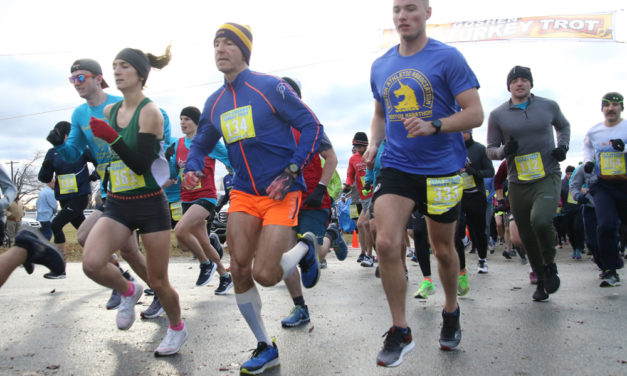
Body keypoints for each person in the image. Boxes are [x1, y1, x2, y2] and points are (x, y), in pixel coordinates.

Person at [184, 23, 323, 374]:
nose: (220, 49)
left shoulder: (268, 87)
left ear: (244, 50)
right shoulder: (214, 102)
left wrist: (292, 170)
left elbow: (311, 125)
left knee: (266, 274)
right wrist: (195, 164)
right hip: (244, 192)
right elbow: (201, 141)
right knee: (240, 268)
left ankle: (305, 247)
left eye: (228, 43)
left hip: (280, 190)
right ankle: (265, 344)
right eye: (216, 43)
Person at [365, 0, 484, 366]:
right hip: (398, 166)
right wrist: (373, 143)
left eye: (411, 8)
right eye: (398, 9)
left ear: (427, 13)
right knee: (386, 241)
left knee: (443, 249)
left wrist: (436, 125)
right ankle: (401, 329)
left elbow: (475, 113)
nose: (403, 15)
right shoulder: (381, 65)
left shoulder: (448, 58)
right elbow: (380, 114)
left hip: (442, 168)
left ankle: (451, 310)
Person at [83, 45, 187, 356]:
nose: (117, 71)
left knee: (159, 280)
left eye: (124, 66)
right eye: (114, 65)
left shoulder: (150, 111)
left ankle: (177, 327)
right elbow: (114, 159)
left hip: (149, 204)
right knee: (90, 263)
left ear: (141, 74)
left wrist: (110, 137)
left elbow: (140, 163)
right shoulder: (109, 111)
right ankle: (128, 289)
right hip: (118, 204)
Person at [46, 58, 159, 310]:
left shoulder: (119, 104)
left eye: (81, 78)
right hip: (110, 190)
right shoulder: (79, 113)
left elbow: (153, 127)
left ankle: (147, 289)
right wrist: (61, 146)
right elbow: (75, 153)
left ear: (99, 79)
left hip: (133, 186)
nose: (76, 83)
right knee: (86, 237)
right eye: (72, 79)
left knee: (128, 250)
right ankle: (126, 282)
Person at [487, 65, 571, 302]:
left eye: (524, 79)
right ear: (509, 86)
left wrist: (562, 146)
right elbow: (490, 150)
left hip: (547, 175)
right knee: (525, 234)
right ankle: (542, 277)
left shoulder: (548, 106)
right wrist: (504, 150)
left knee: (541, 221)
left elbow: (563, 126)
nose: (520, 84)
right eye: (515, 81)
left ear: (531, 84)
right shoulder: (498, 114)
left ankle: (550, 264)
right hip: (518, 181)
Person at [279, 76, 342, 328]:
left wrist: (321, 188)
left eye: (287, 92)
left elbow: (332, 158)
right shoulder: (271, 127)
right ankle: (300, 307)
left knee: (311, 252)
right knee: (287, 256)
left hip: (314, 198)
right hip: (285, 200)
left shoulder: (309, 124)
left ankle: (330, 236)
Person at [171, 106, 232, 294]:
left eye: (187, 119)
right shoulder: (178, 144)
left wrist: (237, 180)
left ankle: (205, 264)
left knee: (180, 230)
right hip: (186, 198)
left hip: (206, 197)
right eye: (181, 119)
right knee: (198, 243)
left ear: (197, 123)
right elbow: (174, 175)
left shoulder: (208, 143)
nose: (183, 123)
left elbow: (231, 162)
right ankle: (224, 275)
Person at [38, 121, 97, 278]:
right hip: (64, 198)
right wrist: (46, 164)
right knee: (86, 234)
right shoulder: (52, 153)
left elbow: (100, 163)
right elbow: (43, 177)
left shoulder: (82, 150)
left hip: (80, 197)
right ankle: (111, 261)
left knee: (55, 225)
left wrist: (94, 175)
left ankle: (59, 269)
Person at [582, 92, 627, 287]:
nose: (611, 108)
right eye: (607, 105)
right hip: (603, 185)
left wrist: (623, 148)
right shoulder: (594, 132)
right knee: (606, 224)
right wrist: (588, 164)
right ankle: (610, 269)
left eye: (615, 105)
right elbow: (588, 150)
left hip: (625, 183)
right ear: (602, 109)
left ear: (621, 108)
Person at [0, 164, 66, 287]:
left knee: (47, 232)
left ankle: (26, 248)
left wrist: (2, 204)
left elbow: (9, 188)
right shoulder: (47, 193)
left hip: (42, 218)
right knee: (46, 232)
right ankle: (27, 248)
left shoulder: (45, 193)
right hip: (45, 217)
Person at [454, 129, 494, 284]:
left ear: (470, 133)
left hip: (476, 194)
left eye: (464, 132)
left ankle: (482, 258)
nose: (461, 134)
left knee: (478, 229)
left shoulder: (479, 149)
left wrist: (474, 172)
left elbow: (490, 171)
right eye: (459, 132)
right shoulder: (454, 149)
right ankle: (461, 265)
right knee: (457, 229)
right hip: (459, 194)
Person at [343, 132, 375, 266]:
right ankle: (364, 252)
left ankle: (369, 254)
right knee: (360, 225)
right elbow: (350, 176)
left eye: (359, 146)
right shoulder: (353, 159)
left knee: (367, 224)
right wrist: (347, 185)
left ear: (365, 145)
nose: (357, 149)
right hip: (360, 198)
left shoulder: (373, 154)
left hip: (374, 194)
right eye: (355, 146)